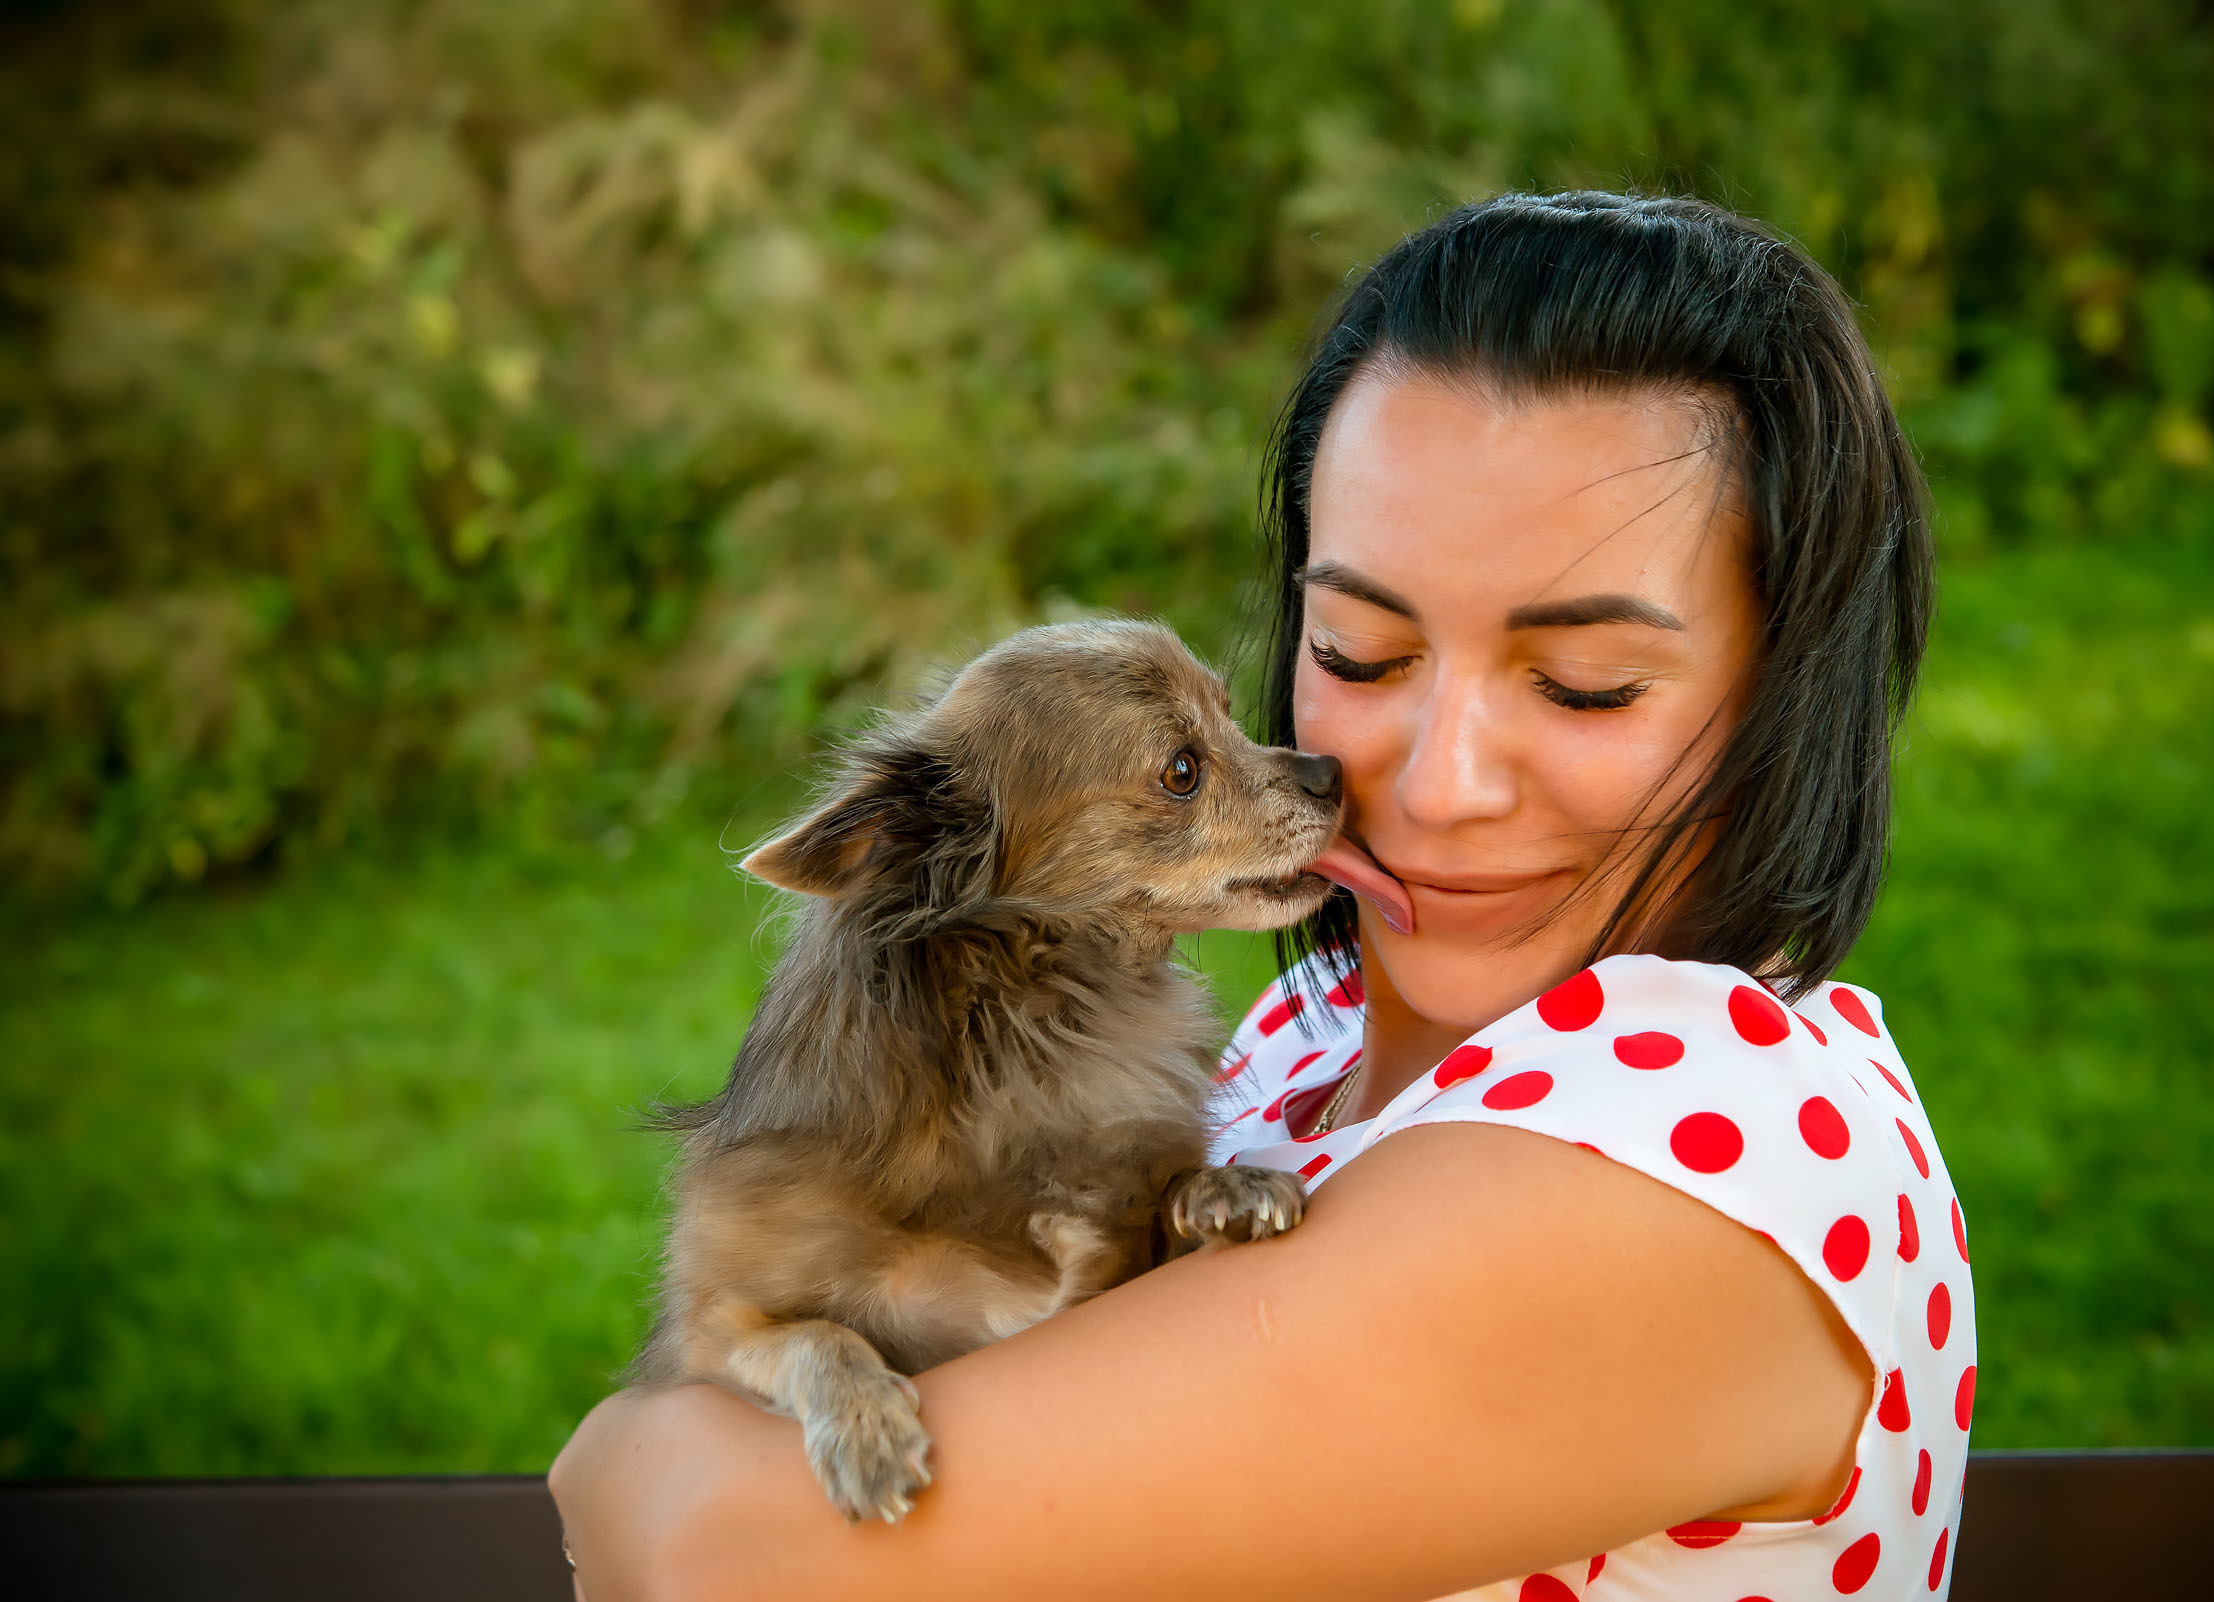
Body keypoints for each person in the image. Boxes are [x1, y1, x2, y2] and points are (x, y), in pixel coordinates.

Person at [549, 190, 1972, 1601]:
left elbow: (709, 1548)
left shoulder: (1714, 1152)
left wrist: (641, 1439)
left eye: (1583, 682)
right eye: (1358, 652)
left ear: (1792, 692)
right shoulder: (1313, 1031)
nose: (1438, 783)